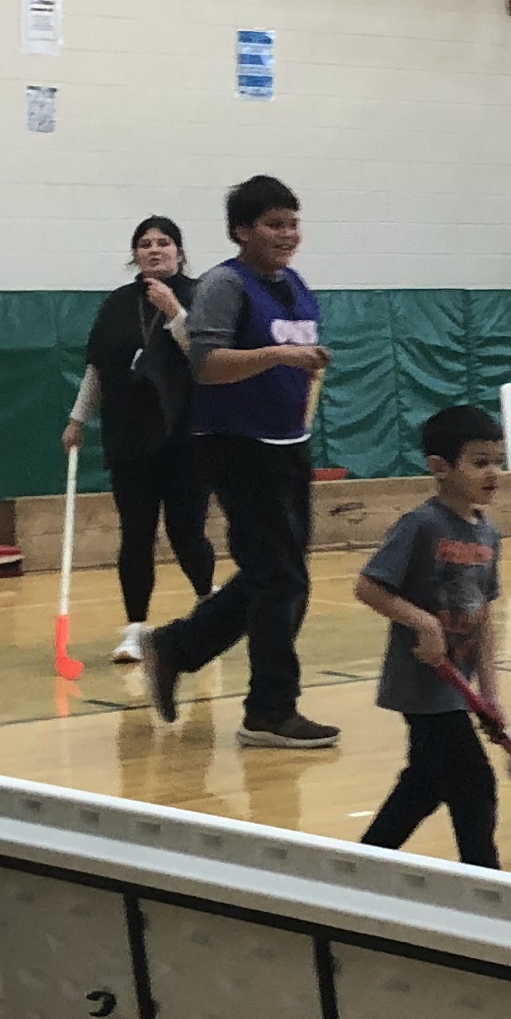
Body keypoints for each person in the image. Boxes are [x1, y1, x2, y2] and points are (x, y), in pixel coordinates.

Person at [142, 175, 335, 750]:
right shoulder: (226, 285)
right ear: (241, 231)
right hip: (236, 444)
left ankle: (176, 648)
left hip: (286, 443)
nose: (287, 234)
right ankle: (269, 711)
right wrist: (281, 354)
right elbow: (206, 364)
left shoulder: (295, 284)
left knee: (274, 575)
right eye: (274, 224)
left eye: (293, 223)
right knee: (282, 579)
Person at [353, 405, 511, 870]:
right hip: (423, 686)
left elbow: (482, 619)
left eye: (497, 461)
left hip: (458, 686)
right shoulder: (421, 525)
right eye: (479, 462)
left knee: (424, 784)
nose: (492, 473)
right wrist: (422, 622)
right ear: (440, 468)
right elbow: (368, 587)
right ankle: (486, 884)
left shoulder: (489, 534)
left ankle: (362, 864)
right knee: (474, 784)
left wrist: (491, 694)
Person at [64, 215, 215, 664]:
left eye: (163, 242)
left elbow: (204, 356)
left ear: (179, 251)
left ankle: (210, 606)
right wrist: (77, 420)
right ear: (134, 255)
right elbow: (98, 368)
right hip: (130, 435)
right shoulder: (115, 305)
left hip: (187, 435)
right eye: (145, 243)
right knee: (136, 535)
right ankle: (134, 628)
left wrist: (174, 312)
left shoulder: (200, 294)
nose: (154, 250)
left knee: (187, 532)